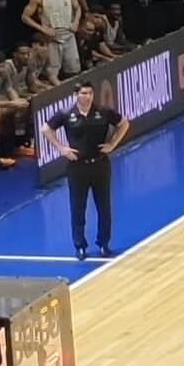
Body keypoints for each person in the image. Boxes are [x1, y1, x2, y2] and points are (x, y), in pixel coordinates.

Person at [55, 90, 128, 257]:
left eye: (89, 93)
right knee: (77, 207)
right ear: (76, 95)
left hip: (100, 164)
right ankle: (79, 245)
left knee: (104, 206)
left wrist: (113, 144)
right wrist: (61, 148)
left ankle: (104, 243)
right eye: (83, 93)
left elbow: (124, 123)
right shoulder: (67, 113)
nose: (86, 96)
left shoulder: (103, 111)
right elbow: (46, 129)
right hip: (77, 167)